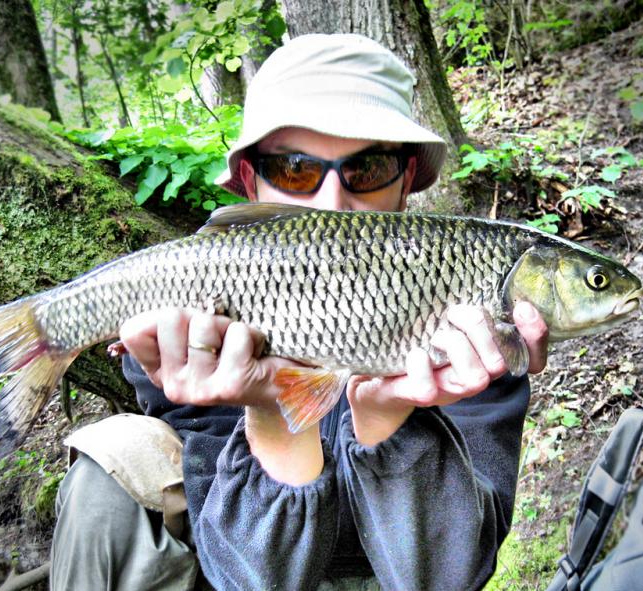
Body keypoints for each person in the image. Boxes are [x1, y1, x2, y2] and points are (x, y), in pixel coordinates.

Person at [50, 33, 549, 591]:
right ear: (249, 183)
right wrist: (271, 412)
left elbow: (449, 578)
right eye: (294, 170)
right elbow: (248, 578)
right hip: (248, 549)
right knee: (108, 462)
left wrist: (391, 421)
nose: (333, 202)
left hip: (389, 573)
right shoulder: (193, 325)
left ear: (406, 179)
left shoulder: (472, 326)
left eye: (367, 169)